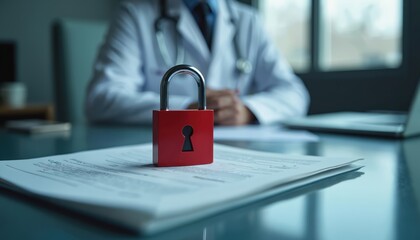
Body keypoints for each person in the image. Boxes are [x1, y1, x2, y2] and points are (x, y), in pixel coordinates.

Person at [85, 0, 309, 125]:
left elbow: (295, 94)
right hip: (157, 153)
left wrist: (247, 111)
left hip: (238, 153)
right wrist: (190, 108)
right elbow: (102, 97)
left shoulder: (248, 20)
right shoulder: (135, 13)